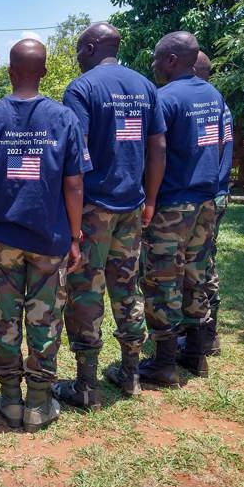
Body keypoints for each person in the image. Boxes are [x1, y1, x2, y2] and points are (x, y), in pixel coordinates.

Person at [0, 39, 90, 432]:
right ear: (45, 72)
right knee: (45, 319)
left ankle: (9, 400)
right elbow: (73, 186)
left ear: (9, 71)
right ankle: (38, 404)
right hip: (49, 240)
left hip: (1, 239)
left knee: (4, 319)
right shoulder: (64, 118)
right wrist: (75, 236)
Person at [53, 23, 166, 409]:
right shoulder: (145, 86)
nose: (76, 57)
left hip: (92, 208)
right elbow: (158, 147)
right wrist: (149, 200)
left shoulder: (81, 89)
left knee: (85, 290)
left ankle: (86, 385)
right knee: (126, 284)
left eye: (78, 50)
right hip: (132, 207)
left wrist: (71, 223)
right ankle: (131, 373)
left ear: (88, 48)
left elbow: (76, 158)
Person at [139, 32, 230, 386]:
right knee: (196, 275)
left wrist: (148, 195)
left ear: (173, 60)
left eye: (158, 59)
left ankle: (163, 363)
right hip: (206, 201)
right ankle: (195, 354)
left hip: (173, 202)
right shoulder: (214, 95)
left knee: (162, 279)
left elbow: (157, 152)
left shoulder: (164, 99)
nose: (155, 65)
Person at [181, 51, 232, 356]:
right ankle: (206, 335)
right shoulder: (219, 105)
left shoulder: (198, 104)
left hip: (200, 195)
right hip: (217, 192)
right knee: (204, 261)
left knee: (197, 264)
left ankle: (202, 336)